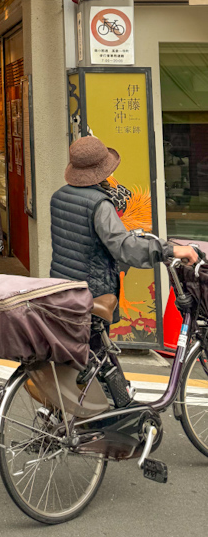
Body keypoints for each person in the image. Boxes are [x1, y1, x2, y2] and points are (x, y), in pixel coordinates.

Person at [50, 135, 198, 402]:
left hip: (64, 288)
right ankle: (105, 421)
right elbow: (125, 248)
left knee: (90, 357)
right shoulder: (99, 205)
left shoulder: (60, 196)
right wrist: (171, 250)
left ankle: (112, 406)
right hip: (92, 291)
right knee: (98, 356)